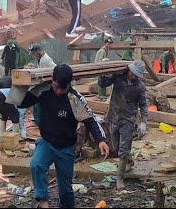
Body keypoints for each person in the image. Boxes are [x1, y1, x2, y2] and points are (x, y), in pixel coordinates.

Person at [19, 65, 109, 209]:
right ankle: (43, 202)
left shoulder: (75, 99)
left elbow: (91, 120)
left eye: (63, 88)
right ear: (52, 81)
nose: (59, 91)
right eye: (56, 87)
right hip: (47, 143)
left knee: (65, 189)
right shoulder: (43, 90)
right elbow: (21, 102)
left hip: (66, 149)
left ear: (69, 84)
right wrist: (19, 84)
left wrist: (101, 140)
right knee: (36, 165)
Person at [97, 60, 148, 178]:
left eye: (136, 74)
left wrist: (143, 122)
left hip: (128, 119)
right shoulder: (118, 77)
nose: (132, 75)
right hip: (114, 116)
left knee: (123, 149)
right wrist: (102, 71)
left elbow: (144, 104)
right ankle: (129, 161)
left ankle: (120, 178)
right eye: (132, 73)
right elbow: (102, 84)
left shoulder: (139, 87)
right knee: (116, 147)